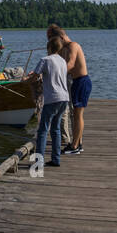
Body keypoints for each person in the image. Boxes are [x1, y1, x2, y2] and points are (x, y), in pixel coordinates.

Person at [25, 37, 69, 168]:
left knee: (43, 130)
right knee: (55, 129)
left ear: (49, 48)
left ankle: (38, 163)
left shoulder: (45, 60)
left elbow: (34, 77)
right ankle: (56, 159)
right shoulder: (63, 61)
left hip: (52, 99)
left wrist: (25, 81)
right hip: (64, 98)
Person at [48, 24, 90, 154]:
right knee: (76, 115)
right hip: (77, 82)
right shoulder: (65, 48)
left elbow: (70, 64)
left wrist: (56, 72)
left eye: (54, 40)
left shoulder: (73, 46)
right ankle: (78, 144)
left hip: (82, 81)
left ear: (61, 37)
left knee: (78, 115)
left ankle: (75, 146)